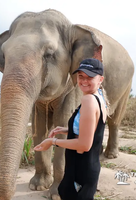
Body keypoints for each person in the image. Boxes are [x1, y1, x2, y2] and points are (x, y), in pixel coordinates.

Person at [34, 58, 109, 200]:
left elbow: (84, 145)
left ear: (100, 79)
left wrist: (52, 141)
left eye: (90, 77)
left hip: (79, 171)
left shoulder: (88, 100)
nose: (84, 81)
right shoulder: (99, 98)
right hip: (88, 168)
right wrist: (66, 130)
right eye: (81, 76)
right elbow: (93, 130)